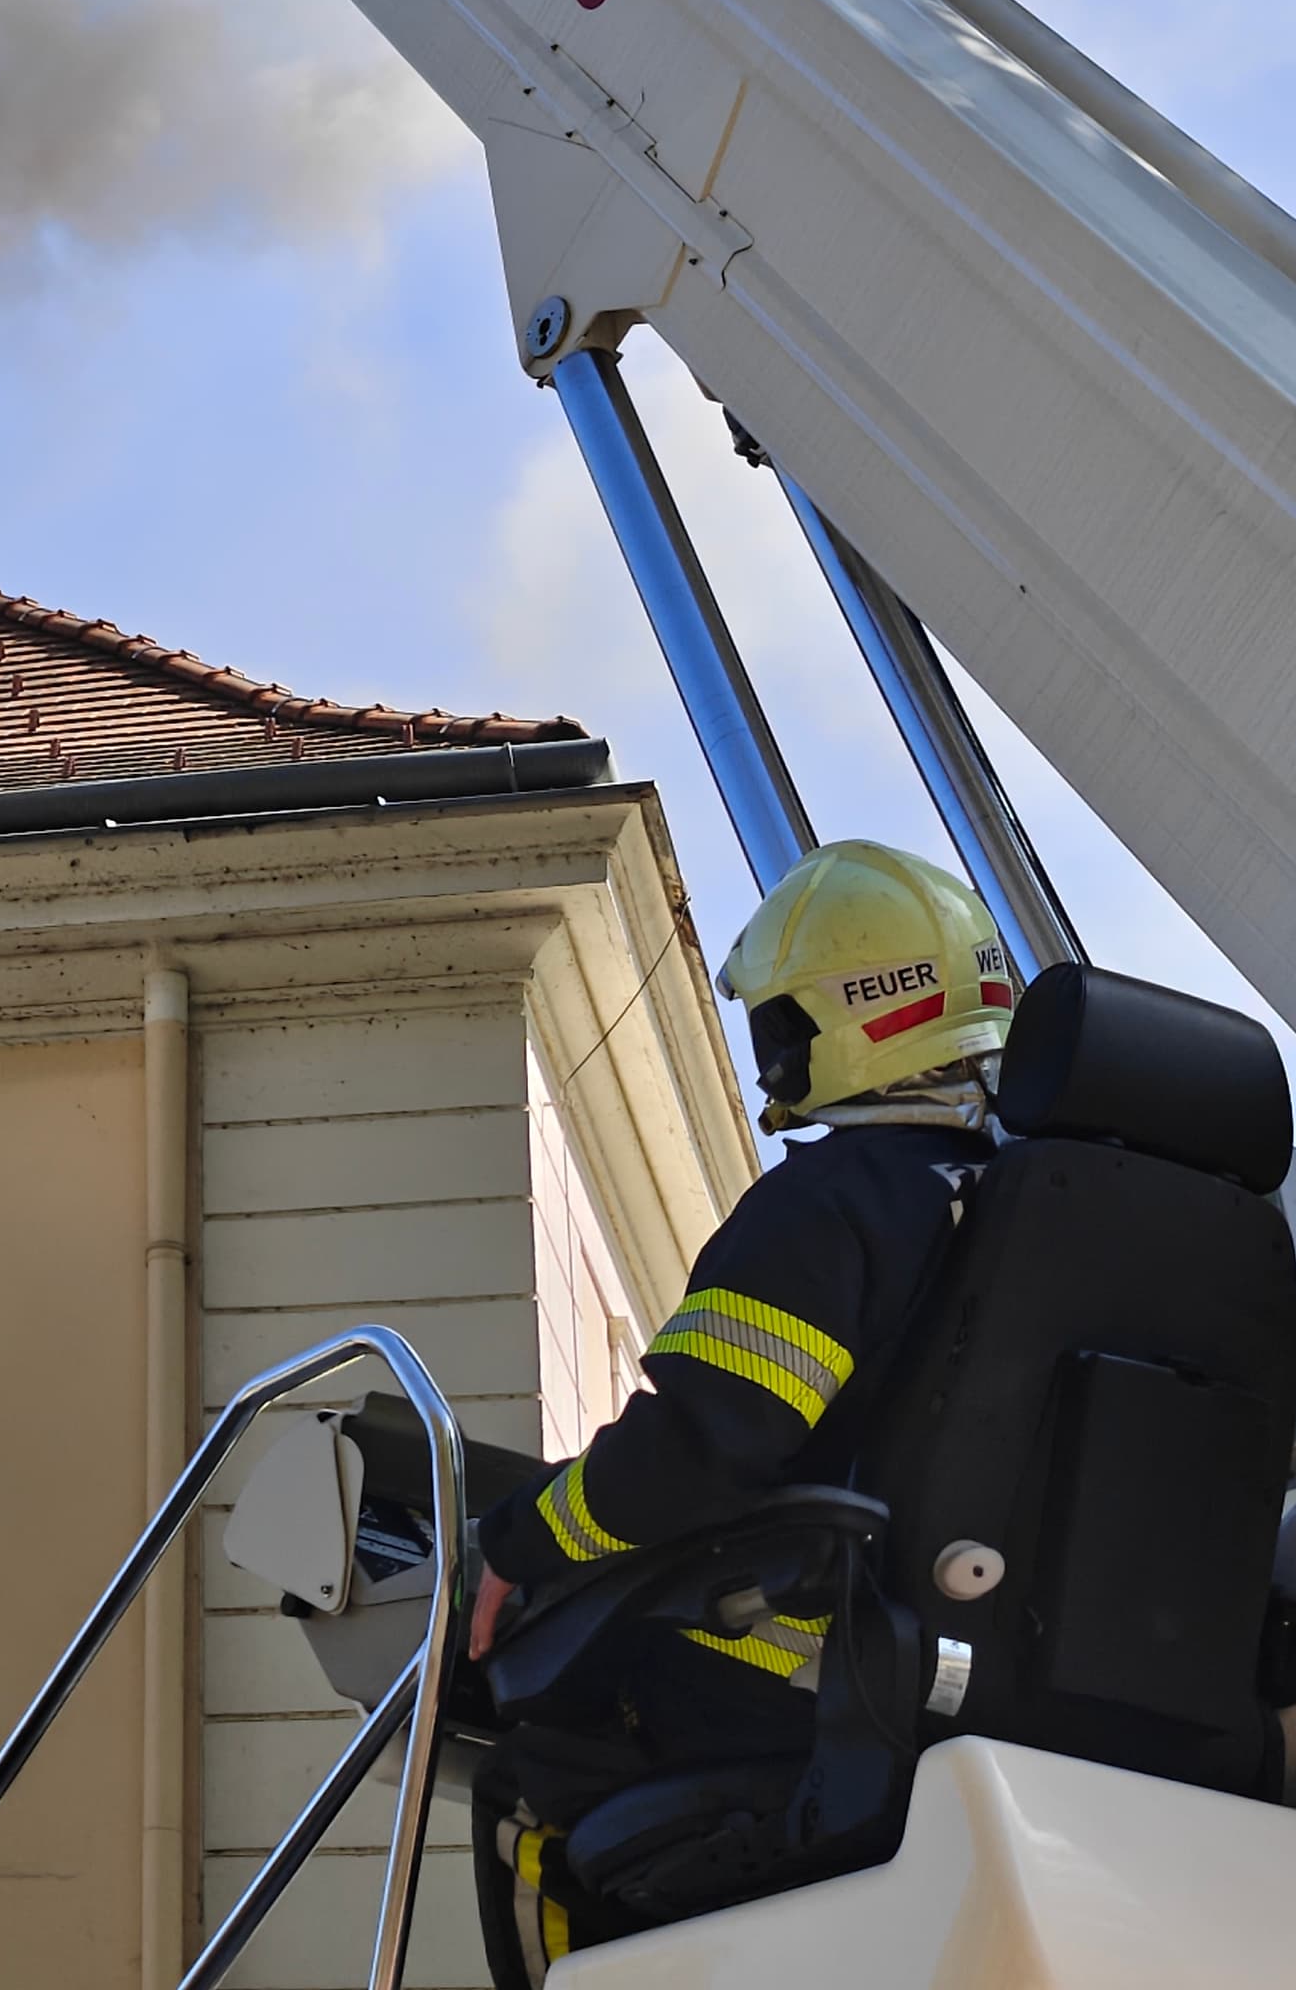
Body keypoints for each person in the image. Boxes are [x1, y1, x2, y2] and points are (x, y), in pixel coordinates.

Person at [462, 839, 1014, 1966]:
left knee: (533, 1783)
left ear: (847, 1018)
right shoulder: (1057, 1214)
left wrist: (519, 1547)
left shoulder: (830, 1205)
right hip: (1016, 1700)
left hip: (809, 1704)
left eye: (781, 1023)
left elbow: (699, 1452)